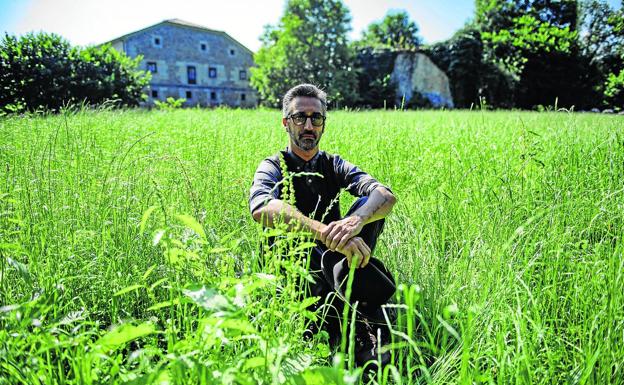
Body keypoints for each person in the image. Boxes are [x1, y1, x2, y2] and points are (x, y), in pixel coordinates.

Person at [249, 83, 397, 367]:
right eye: (299, 117)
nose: (308, 125)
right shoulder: (273, 165)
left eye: (315, 118)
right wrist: (325, 232)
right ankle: (349, 311)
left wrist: (356, 222)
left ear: (323, 124)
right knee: (297, 235)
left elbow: (385, 195)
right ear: (285, 123)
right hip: (294, 267)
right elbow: (261, 207)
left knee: (366, 207)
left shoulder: (332, 164)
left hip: (339, 260)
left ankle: (355, 311)